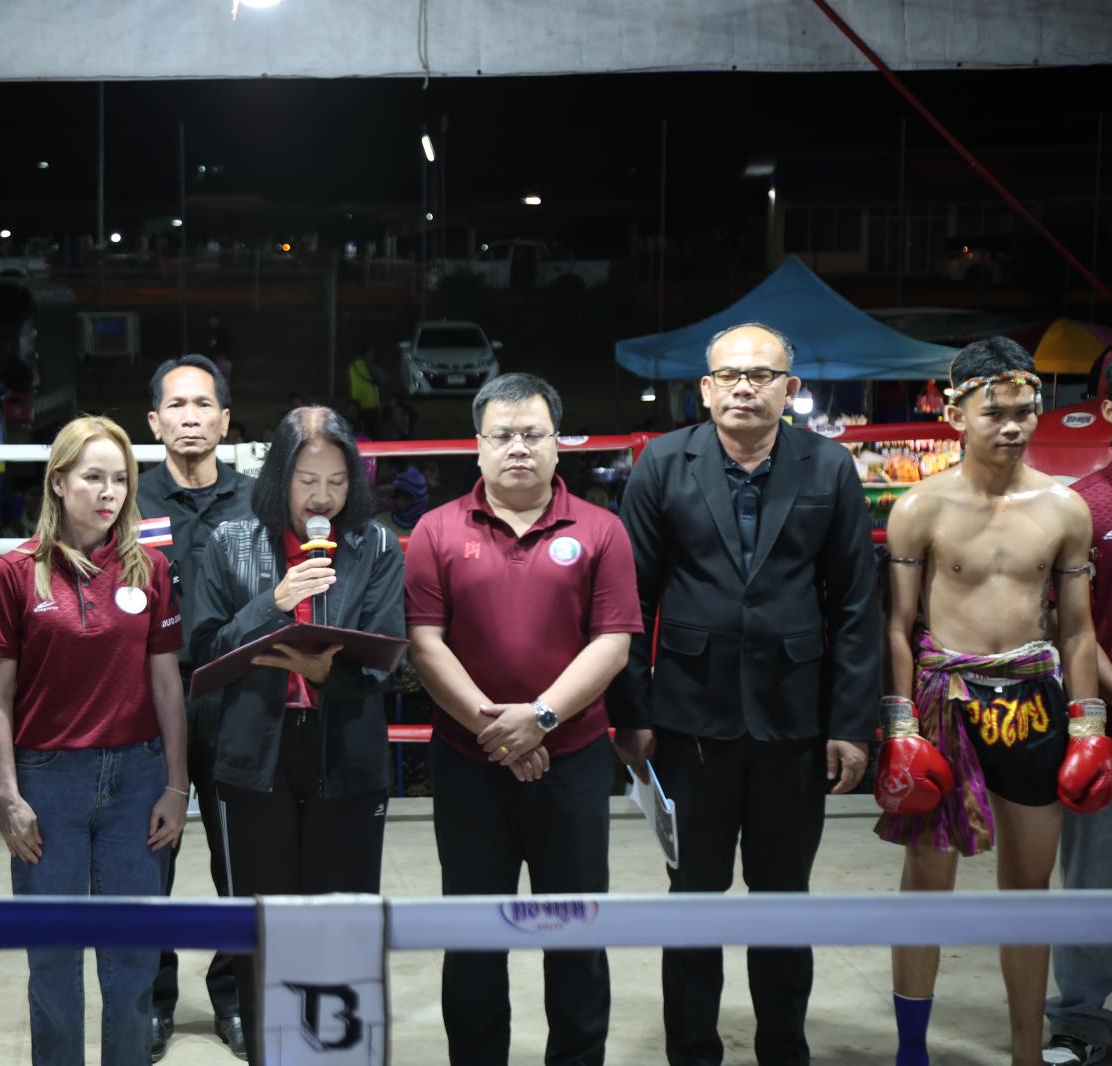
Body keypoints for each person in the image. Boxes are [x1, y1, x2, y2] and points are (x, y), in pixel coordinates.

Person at [606, 323, 880, 1066]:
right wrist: (631, 715)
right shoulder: (664, 463)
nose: (745, 388)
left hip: (796, 721)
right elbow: (630, 601)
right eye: (729, 375)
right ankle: (692, 1052)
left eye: (762, 375)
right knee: (692, 898)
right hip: (687, 721)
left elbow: (857, 604)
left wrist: (850, 724)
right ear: (705, 388)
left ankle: (783, 1050)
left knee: (784, 900)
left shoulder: (828, 466)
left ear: (791, 389)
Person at [875, 337, 1112, 1066]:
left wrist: (1089, 724)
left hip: (1034, 701)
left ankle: (1025, 1056)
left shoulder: (1064, 508)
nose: (1013, 427)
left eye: (1025, 411)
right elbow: (897, 625)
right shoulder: (919, 507)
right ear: (956, 414)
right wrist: (899, 724)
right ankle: (911, 1053)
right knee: (927, 885)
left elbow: (1076, 629)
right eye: (995, 412)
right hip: (945, 701)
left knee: (1028, 889)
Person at [407, 372, 642, 1065]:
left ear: (557, 443)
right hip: (468, 765)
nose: (518, 447)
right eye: (502, 435)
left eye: (532, 434)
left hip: (572, 763)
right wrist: (503, 734)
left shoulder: (601, 530)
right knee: (473, 938)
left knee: (576, 935)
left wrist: (539, 718)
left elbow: (613, 644)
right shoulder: (436, 529)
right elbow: (425, 645)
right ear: (478, 445)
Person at [192, 405, 405, 1064]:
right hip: (256, 752)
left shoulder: (376, 545)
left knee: (343, 928)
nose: (322, 497)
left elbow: (387, 658)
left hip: (347, 752)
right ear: (279, 478)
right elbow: (204, 652)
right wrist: (274, 603)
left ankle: (339, 1055)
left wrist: (326, 672)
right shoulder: (229, 540)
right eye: (307, 480)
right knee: (263, 930)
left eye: (337, 481)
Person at [0, 415, 188, 1066]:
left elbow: (167, 685)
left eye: (120, 479)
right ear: (58, 482)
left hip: (138, 780)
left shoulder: (150, 569)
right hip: (48, 782)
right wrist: (7, 795)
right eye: (94, 477)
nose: (109, 492)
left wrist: (177, 785)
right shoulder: (15, 573)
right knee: (53, 957)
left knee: (133, 956)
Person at [136, 354, 254, 1061]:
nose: (190, 417)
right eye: (176, 406)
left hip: (240, 699)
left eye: (203, 404)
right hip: (150, 706)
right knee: (149, 861)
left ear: (225, 420)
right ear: (154, 422)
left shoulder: (259, 501)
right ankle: (152, 1001)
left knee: (241, 865)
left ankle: (236, 997)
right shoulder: (126, 499)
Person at [1045, 352, 1112, 1066]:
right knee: (1093, 881)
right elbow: (1073, 627)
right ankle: (1079, 1022)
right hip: (1106, 731)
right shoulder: (1086, 507)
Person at [375, 464, 429, 538]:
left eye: (407, 495)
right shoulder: (380, 522)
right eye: (398, 494)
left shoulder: (429, 527)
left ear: (420, 500)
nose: (400, 499)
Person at [348, 342, 386, 438]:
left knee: (362, 431)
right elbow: (380, 377)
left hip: (359, 404)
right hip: (369, 405)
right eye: (371, 353)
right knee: (373, 433)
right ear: (367, 353)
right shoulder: (363, 365)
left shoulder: (353, 366)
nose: (372, 356)